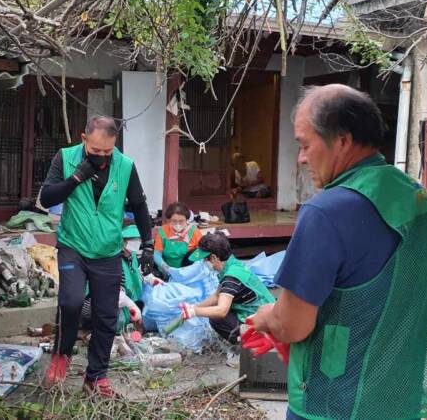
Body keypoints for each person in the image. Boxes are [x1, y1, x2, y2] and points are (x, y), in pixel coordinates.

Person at [244, 84, 427, 420]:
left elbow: (292, 325)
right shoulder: (414, 197)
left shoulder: (326, 212)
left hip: (335, 405)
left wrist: (267, 317)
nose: (301, 158)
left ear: (342, 141)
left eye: (305, 145)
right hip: (395, 398)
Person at [38, 116, 154, 398]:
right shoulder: (65, 158)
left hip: (108, 251)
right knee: (72, 300)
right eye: (96, 151)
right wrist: (77, 176)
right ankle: (62, 353)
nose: (101, 157)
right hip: (73, 245)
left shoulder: (125, 166)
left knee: (106, 316)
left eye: (107, 152)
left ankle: (96, 376)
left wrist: (148, 245)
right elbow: (47, 198)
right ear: (84, 139)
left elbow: (139, 206)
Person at [178, 232, 274, 345]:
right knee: (215, 309)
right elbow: (216, 296)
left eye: (205, 259)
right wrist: (194, 307)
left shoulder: (231, 277)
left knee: (217, 318)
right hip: (262, 314)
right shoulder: (231, 264)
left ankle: (246, 348)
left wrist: (195, 312)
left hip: (264, 322)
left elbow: (222, 311)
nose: (204, 263)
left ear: (213, 258)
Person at [154, 202, 203, 275]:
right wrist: (164, 266)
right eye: (174, 221)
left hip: (188, 271)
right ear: (168, 220)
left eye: (181, 221)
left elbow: (201, 253)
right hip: (167, 270)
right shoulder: (163, 231)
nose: (178, 224)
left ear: (187, 220)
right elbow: (157, 254)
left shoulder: (194, 231)